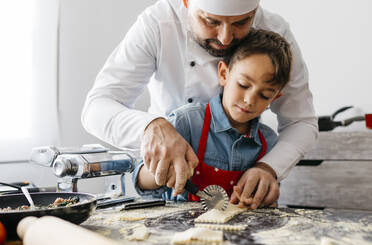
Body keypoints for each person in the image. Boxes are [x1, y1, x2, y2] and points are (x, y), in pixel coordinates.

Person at [81, 0, 318, 209]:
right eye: (211, 21)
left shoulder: (275, 31)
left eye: (241, 22)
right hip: (168, 200)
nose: (225, 37)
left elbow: (301, 121)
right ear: (185, 3)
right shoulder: (158, 23)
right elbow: (97, 107)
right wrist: (151, 127)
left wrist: (268, 168)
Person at [133, 29, 292, 207]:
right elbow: (139, 181)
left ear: (275, 97)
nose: (249, 100)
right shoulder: (186, 122)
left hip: (241, 233)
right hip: (179, 232)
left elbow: (269, 200)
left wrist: (265, 197)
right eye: (243, 85)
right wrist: (159, 174)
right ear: (224, 74)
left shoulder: (269, 143)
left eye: (264, 95)